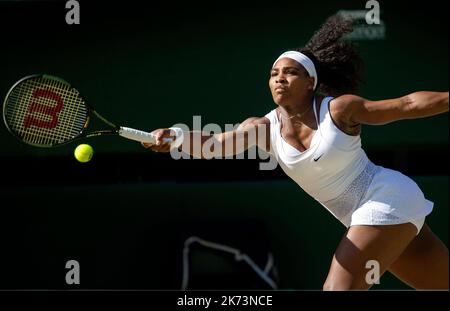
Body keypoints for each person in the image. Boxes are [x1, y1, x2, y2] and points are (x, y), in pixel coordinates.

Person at [142, 15, 449, 290]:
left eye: (290, 72)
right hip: (370, 214)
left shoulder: (340, 109)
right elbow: (217, 144)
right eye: (274, 73)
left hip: (386, 196)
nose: (280, 78)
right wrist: (178, 137)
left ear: (310, 83)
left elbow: (406, 105)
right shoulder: (263, 128)